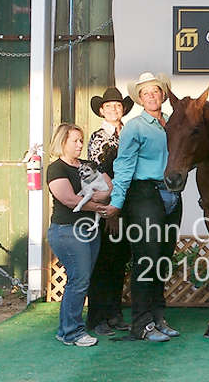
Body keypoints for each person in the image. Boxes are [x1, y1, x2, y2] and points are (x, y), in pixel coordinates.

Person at [101, 72, 182, 342]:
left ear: (163, 94)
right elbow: (123, 166)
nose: (151, 96)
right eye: (145, 93)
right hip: (144, 193)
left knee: (163, 258)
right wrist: (116, 203)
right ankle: (141, 324)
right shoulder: (134, 127)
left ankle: (158, 317)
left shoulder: (173, 123)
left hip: (171, 194)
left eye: (155, 91)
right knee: (146, 259)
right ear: (139, 98)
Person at [47, 123, 112, 347]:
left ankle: (65, 330)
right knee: (79, 280)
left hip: (89, 230)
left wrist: (99, 198)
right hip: (67, 230)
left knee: (79, 280)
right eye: (74, 140)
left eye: (81, 140)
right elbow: (68, 199)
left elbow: (108, 188)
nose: (79, 144)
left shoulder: (87, 164)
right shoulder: (56, 168)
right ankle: (73, 332)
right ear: (62, 142)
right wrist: (98, 206)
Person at [85, 87, 133, 336]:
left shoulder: (129, 132)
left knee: (119, 261)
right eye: (109, 106)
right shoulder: (98, 137)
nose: (114, 109)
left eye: (117, 105)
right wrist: (112, 210)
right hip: (107, 205)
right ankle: (98, 317)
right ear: (102, 111)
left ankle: (114, 313)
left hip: (127, 203)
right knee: (103, 262)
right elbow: (98, 174)